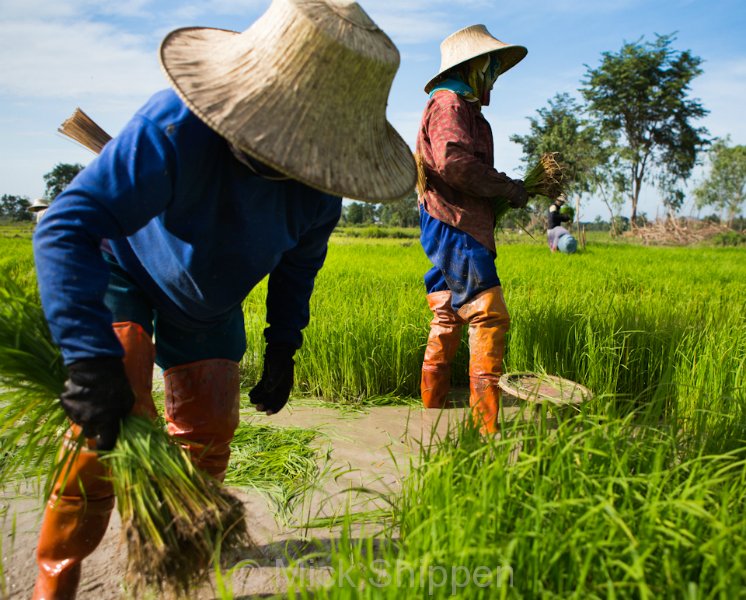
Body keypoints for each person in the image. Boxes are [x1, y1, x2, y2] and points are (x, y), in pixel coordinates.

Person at [30, 1, 415, 597]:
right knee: (104, 428)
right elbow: (65, 225)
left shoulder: (319, 194)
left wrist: (284, 348)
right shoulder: (174, 126)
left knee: (210, 429)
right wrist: (86, 359)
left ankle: (179, 564)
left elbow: (297, 272)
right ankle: (55, 581)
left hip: (207, 299)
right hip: (121, 267)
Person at [415, 24, 528, 434]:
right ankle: (487, 429)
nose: (495, 76)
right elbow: (453, 163)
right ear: (476, 66)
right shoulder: (449, 104)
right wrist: (505, 186)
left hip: (450, 221)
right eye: (492, 67)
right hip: (455, 223)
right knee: (488, 316)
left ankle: (432, 417)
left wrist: (504, 190)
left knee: (446, 312)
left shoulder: (463, 107)